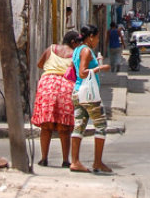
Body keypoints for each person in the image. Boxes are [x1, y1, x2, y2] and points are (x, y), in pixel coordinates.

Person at [31, 30, 81, 167]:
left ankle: (44, 158)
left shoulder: (51, 49)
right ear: (73, 42)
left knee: (46, 126)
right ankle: (65, 160)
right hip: (66, 87)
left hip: (47, 86)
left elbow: (40, 64)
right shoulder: (75, 55)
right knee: (64, 127)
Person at [70, 24, 112, 174]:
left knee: (79, 125)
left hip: (78, 91)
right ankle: (97, 162)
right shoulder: (86, 51)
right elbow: (82, 72)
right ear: (91, 37)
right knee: (101, 125)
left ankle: (74, 161)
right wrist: (100, 68)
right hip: (88, 93)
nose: (98, 40)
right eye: (97, 37)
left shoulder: (77, 50)